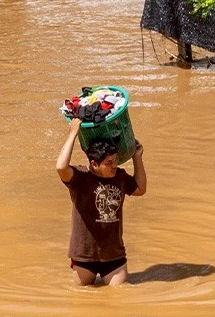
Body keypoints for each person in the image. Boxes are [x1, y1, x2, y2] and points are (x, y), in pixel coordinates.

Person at [55, 117, 147, 286]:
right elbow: (61, 167)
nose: (114, 165)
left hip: (114, 255)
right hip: (84, 254)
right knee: (82, 299)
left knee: (120, 295)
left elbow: (140, 189)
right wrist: (73, 134)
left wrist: (137, 158)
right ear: (94, 163)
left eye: (116, 160)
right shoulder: (80, 178)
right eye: (108, 163)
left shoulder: (119, 176)